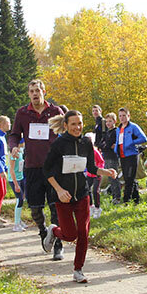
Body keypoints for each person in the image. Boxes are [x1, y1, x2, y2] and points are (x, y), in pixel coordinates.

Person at [42, 110, 117, 283]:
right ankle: (53, 230)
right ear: (66, 126)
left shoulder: (86, 142)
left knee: (83, 233)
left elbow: (91, 168)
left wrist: (107, 172)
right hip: (64, 196)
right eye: (74, 124)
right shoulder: (58, 145)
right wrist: (59, 191)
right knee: (70, 235)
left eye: (80, 123)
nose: (78, 127)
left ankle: (78, 270)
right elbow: (46, 170)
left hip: (82, 194)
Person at [8, 79, 67, 260]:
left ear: (44, 92)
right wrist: (14, 147)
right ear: (29, 94)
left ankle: (58, 243)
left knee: (55, 206)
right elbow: (14, 135)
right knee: (35, 208)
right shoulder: (23, 113)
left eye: (37, 91)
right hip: (32, 166)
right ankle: (43, 233)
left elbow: (65, 133)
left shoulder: (54, 111)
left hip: (53, 167)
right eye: (31, 91)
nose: (35, 94)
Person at [114, 107, 147, 205]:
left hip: (131, 155)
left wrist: (132, 142)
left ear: (128, 116)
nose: (122, 118)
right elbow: (118, 141)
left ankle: (126, 201)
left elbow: (143, 138)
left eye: (124, 115)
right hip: (122, 156)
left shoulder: (133, 127)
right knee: (128, 178)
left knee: (129, 179)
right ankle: (136, 199)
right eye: (120, 116)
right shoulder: (118, 129)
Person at [98, 112, 121, 204]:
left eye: (110, 121)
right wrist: (104, 145)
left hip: (112, 157)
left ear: (114, 121)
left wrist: (105, 145)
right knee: (109, 177)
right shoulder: (107, 132)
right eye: (107, 121)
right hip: (106, 156)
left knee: (113, 176)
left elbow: (108, 144)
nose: (108, 123)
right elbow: (102, 143)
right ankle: (114, 195)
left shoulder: (115, 132)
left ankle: (117, 197)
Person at [8, 138, 27, 231]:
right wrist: (16, 184)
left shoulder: (21, 152)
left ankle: (19, 220)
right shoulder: (14, 154)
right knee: (19, 200)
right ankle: (16, 224)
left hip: (21, 177)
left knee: (22, 199)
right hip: (14, 179)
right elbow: (11, 170)